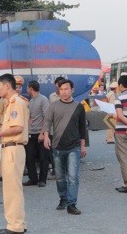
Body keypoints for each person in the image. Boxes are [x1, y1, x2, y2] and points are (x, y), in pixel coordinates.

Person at [0, 74, 28, 234]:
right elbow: (10, 126)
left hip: (12, 148)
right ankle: (19, 224)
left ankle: (15, 226)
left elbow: (17, 128)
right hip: (10, 148)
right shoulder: (11, 103)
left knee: (12, 189)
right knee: (13, 188)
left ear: (7, 86)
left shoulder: (16, 103)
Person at [42, 79, 87, 215]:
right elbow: (47, 122)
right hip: (57, 146)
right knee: (60, 177)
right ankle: (63, 198)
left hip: (74, 147)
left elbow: (82, 128)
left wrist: (83, 146)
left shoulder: (79, 107)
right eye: (61, 89)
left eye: (66, 89)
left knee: (73, 176)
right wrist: (45, 137)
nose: (64, 92)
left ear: (72, 90)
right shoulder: (53, 106)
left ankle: (72, 204)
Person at [23, 80, 50, 187]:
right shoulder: (31, 101)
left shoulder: (43, 100)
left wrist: (42, 133)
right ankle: (33, 179)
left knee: (43, 158)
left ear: (30, 88)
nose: (26, 90)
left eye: (27, 88)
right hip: (31, 133)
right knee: (29, 157)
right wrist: (27, 131)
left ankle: (42, 180)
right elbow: (30, 118)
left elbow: (47, 117)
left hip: (41, 133)